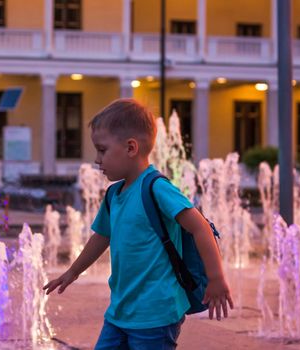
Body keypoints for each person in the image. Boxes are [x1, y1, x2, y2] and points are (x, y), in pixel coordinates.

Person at [43, 98, 233, 349]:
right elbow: (101, 237)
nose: (97, 160)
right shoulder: (114, 195)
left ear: (131, 148)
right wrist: (73, 272)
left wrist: (216, 279)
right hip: (120, 310)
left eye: (102, 150)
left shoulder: (157, 188)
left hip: (156, 312)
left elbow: (200, 227)